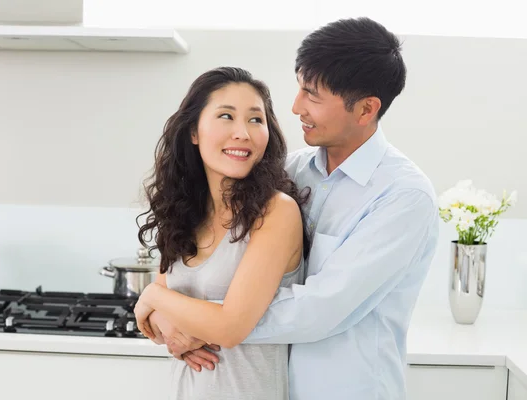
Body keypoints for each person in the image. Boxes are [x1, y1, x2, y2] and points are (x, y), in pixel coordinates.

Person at [137, 16, 440, 400]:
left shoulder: (403, 197)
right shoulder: (291, 170)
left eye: (312, 95)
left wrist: (187, 313)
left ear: (366, 110)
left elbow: (318, 310)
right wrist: (168, 314)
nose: (296, 107)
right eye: (299, 88)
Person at [134, 66, 311, 399]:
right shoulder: (185, 211)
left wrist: (152, 299)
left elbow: (230, 327)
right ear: (194, 131)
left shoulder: (275, 212)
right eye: (226, 116)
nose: (243, 133)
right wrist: (167, 325)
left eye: (256, 120)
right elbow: (158, 320)